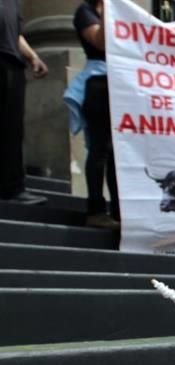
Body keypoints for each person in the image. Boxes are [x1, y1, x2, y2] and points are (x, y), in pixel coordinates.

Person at [64, 0, 119, 230]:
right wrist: (107, 10)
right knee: (100, 149)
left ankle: (118, 212)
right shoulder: (85, 12)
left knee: (117, 154)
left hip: (120, 84)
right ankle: (96, 210)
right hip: (98, 85)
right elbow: (100, 42)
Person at [0, 1, 47, 206]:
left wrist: (33, 56)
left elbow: (17, 35)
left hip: (12, 63)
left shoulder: (13, 3)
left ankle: (13, 189)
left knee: (12, 130)